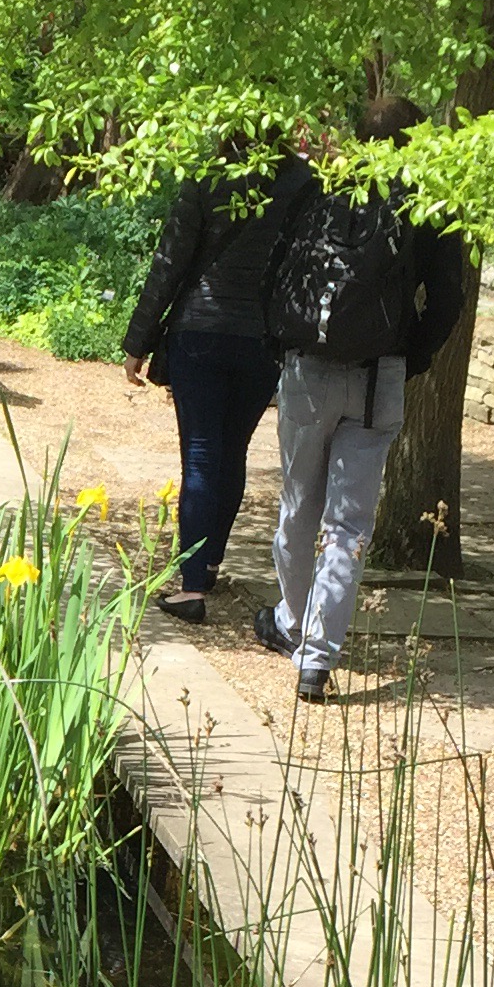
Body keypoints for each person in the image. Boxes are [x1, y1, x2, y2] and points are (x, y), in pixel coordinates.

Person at [254, 95, 467, 703]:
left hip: (307, 370)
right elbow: (447, 299)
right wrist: (410, 357)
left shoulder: (320, 190)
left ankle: (296, 624)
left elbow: (274, 276)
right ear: (417, 141)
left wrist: (281, 347)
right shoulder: (428, 203)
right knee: (347, 525)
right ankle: (316, 659)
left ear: (358, 137)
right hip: (379, 378)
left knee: (298, 507)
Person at [122, 137, 311, 625]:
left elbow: (171, 261)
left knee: (202, 454)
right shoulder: (302, 182)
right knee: (233, 450)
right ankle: (207, 564)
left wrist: (138, 340)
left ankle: (190, 587)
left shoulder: (207, 175)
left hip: (200, 332)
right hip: (262, 338)